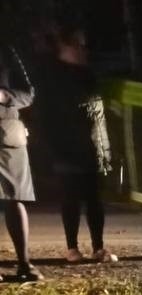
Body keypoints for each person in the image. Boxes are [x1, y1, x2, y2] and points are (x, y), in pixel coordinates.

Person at [40, 23, 116, 264]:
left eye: (85, 45)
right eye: (78, 44)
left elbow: (99, 110)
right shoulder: (54, 76)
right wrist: (54, 147)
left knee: (95, 199)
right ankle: (72, 247)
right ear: (64, 46)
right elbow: (46, 115)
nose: (84, 49)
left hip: (92, 147)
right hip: (67, 148)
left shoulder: (88, 75)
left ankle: (98, 247)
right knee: (71, 198)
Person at [0, 43, 42, 281]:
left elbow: (29, 93)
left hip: (6, 136)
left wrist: (4, 96)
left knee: (14, 199)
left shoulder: (7, 50)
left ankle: (24, 263)